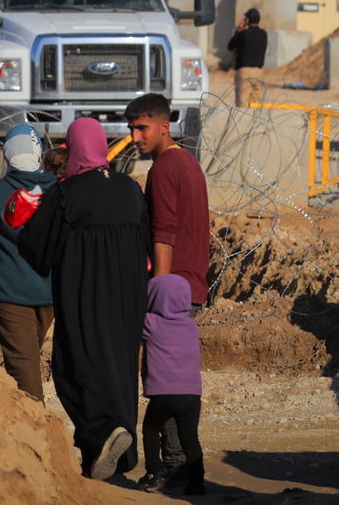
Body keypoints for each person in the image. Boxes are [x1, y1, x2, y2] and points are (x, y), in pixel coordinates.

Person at [19, 118, 148, 481]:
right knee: (121, 366)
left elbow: (37, 249)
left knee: (74, 366)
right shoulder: (129, 188)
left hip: (84, 292)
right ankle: (116, 454)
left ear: (74, 147)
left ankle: (101, 433)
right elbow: (145, 240)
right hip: (129, 295)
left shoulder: (66, 193)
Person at [125, 92, 211, 478]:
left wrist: (157, 291)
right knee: (177, 380)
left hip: (171, 289)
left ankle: (175, 466)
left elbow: (164, 233)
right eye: (131, 129)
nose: (135, 137)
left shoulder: (163, 169)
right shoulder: (187, 162)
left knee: (163, 383)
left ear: (164, 126)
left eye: (142, 128)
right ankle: (183, 466)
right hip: (189, 286)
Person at [0, 125, 55, 402]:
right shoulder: (56, 189)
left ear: (7, 154)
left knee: (23, 365)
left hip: (11, 291)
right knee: (29, 352)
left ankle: (35, 423)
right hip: (49, 291)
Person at [138, 275, 206, 495]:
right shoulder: (190, 326)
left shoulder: (150, 323)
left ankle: (153, 473)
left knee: (150, 429)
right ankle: (197, 483)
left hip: (163, 395)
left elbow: (129, 319)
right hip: (191, 395)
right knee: (190, 438)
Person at [227, 7, 267, 108]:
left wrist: (238, 30)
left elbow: (231, 46)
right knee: (255, 105)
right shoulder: (263, 34)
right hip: (258, 72)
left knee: (242, 104)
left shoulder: (243, 34)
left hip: (244, 72)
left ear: (247, 20)